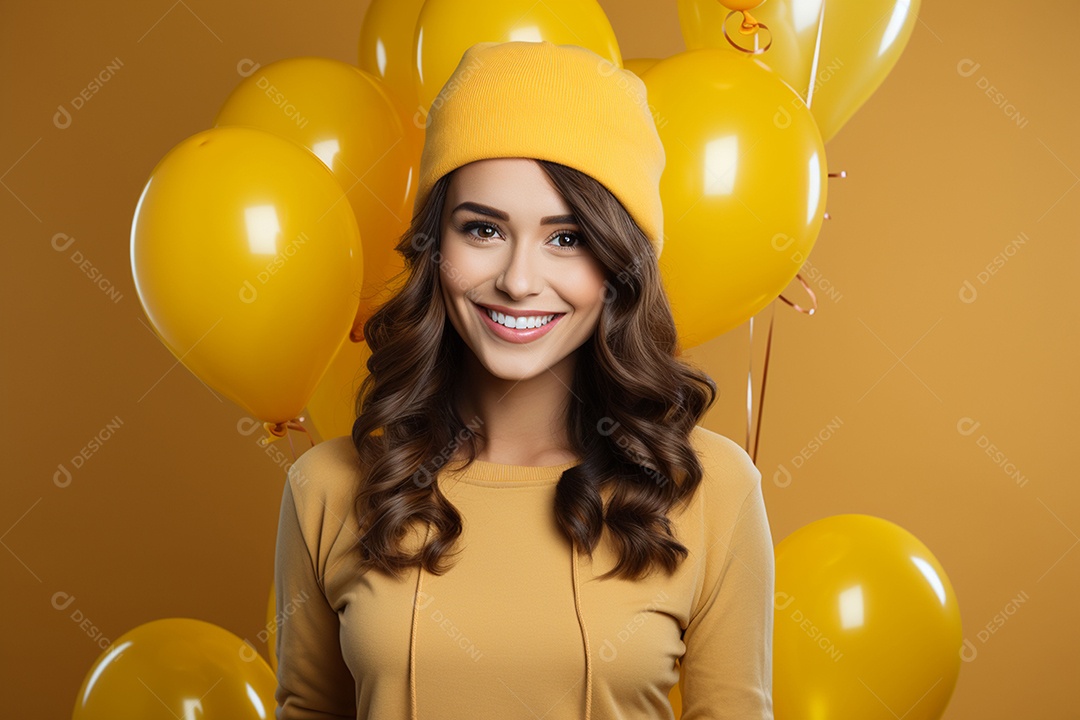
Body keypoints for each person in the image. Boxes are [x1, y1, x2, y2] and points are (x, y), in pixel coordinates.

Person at [274, 39, 774, 720]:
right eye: (482, 229)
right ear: (434, 246)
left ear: (619, 265)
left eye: (566, 238)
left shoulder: (713, 491)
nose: (516, 280)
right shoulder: (327, 489)